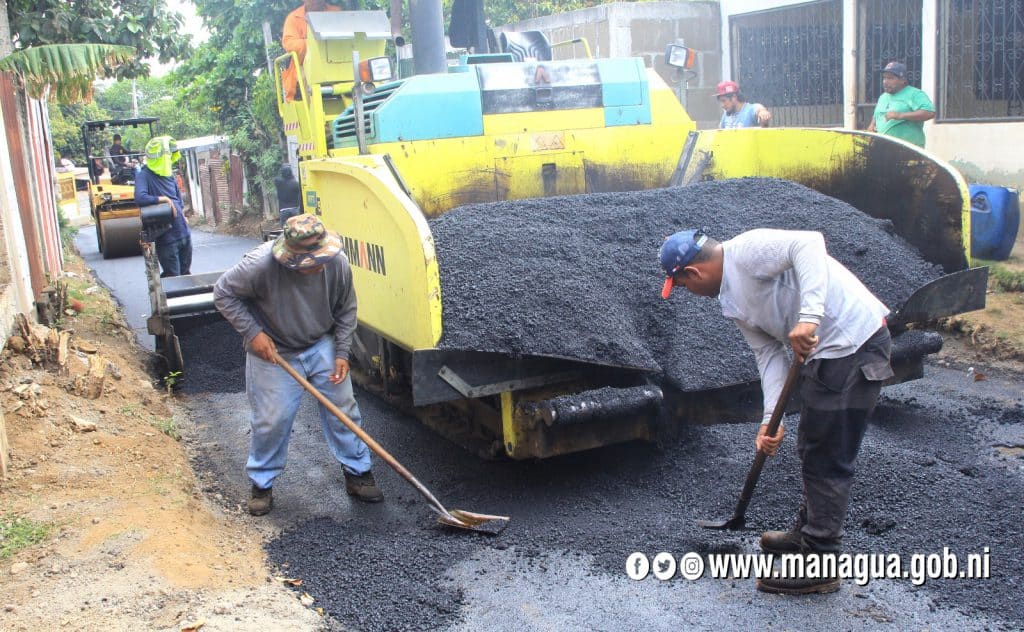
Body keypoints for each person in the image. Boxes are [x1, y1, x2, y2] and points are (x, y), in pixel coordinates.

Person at [660, 228, 893, 595]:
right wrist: (772, 420)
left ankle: (822, 559)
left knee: (827, 455)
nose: (688, 292)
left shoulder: (746, 251)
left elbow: (810, 243)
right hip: (827, 353)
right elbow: (768, 355)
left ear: (693, 273)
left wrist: (809, 317)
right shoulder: (731, 301)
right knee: (813, 444)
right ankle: (808, 531)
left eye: (683, 285)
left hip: (854, 342)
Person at [212, 214, 384, 516]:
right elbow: (223, 293)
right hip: (274, 350)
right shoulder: (259, 266)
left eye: (322, 257)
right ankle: (262, 483)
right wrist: (253, 333)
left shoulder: (337, 263)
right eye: (311, 261)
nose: (319, 265)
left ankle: (358, 473)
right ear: (291, 257)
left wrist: (341, 352)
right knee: (271, 419)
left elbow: (346, 309)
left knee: (343, 409)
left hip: (320, 343)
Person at [135, 136, 192, 277]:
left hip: (184, 233)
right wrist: (163, 199)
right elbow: (140, 197)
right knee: (173, 276)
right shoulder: (144, 175)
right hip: (167, 238)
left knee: (186, 275)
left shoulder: (168, 174)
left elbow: (178, 198)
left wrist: (183, 214)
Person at [281, 0, 341, 101]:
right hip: (304, 64)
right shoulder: (293, 18)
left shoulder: (336, 13)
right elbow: (289, 43)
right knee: (306, 76)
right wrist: (312, 44)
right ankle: (312, 106)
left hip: (335, 62)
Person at [867, 61, 935, 148]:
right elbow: (877, 115)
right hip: (882, 148)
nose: (885, 82)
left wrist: (900, 115)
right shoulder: (883, 97)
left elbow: (929, 112)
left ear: (903, 80)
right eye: (884, 78)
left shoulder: (914, 94)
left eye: (890, 78)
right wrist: (872, 125)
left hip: (908, 149)